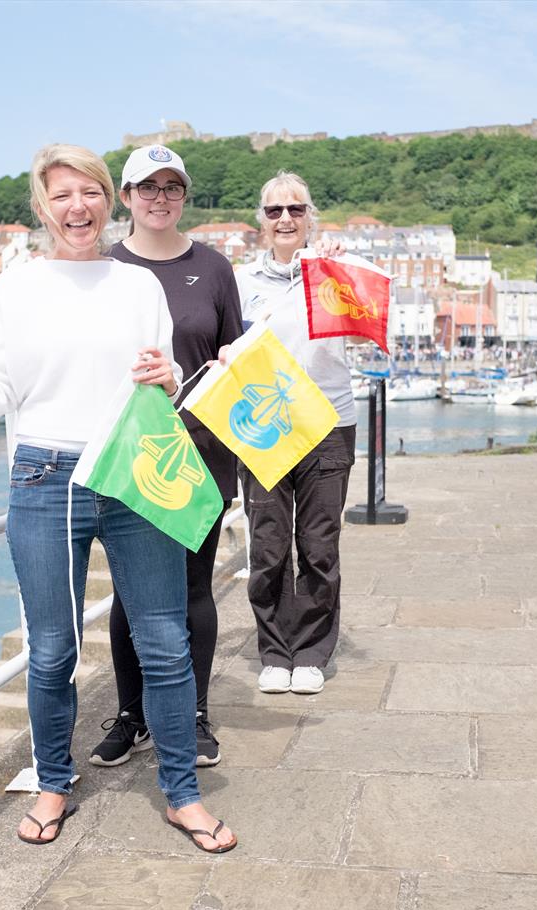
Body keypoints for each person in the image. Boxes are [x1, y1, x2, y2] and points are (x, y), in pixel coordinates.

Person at [0, 144, 236, 853]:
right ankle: (54, 781)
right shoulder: (17, 287)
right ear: (42, 207)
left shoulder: (138, 285)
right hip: (46, 477)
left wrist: (166, 374)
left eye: (89, 192)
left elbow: (161, 381)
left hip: (134, 467)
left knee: (166, 643)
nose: (77, 207)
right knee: (52, 650)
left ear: (109, 200)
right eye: (62, 196)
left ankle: (182, 793)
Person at [89, 144, 242, 770]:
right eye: (146, 187)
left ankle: (194, 712)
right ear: (125, 197)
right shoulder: (102, 269)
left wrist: (235, 360)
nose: (159, 198)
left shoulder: (212, 268)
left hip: (202, 452)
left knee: (192, 586)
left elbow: (236, 354)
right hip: (132, 451)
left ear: (184, 196)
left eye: (171, 187)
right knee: (131, 593)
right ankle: (133, 714)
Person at [232, 171, 356, 695]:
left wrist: (334, 269)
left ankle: (310, 651)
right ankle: (274, 649)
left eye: (296, 209)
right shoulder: (240, 282)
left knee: (319, 544)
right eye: (275, 211)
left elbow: (364, 327)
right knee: (268, 544)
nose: (285, 218)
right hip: (264, 424)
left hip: (328, 420)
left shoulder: (335, 271)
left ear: (311, 218)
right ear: (262, 220)